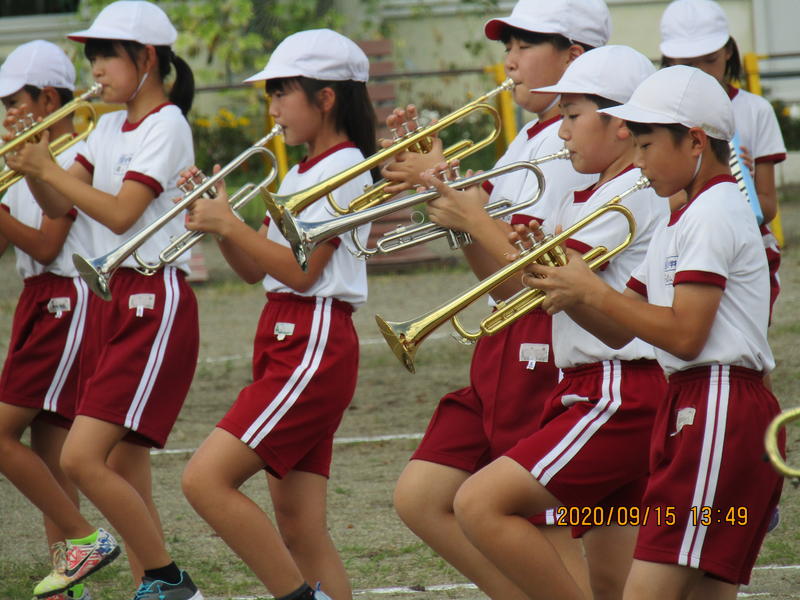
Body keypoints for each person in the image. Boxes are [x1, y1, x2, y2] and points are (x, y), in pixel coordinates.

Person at [519, 65, 784, 600]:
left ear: (695, 142)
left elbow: (685, 336)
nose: (637, 161)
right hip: (697, 407)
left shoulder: (714, 211)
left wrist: (592, 291)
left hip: (717, 407)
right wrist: (564, 286)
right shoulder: (680, 218)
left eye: (646, 145)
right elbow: (621, 329)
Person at [385, 1, 610, 598]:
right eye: (507, 47)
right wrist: (440, 192)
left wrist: (452, 190)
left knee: (545, 524)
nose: (509, 61)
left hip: (540, 343)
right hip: (502, 339)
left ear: (574, 56)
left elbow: (530, 277)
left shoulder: (573, 148)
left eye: (524, 46)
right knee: (421, 497)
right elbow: (495, 275)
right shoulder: (527, 142)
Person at [437, 44, 666, 600]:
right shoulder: (591, 194)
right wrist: (478, 227)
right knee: (612, 582)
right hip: (597, 384)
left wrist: (475, 218)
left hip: (617, 393)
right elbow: (525, 287)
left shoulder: (627, 193)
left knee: (479, 503)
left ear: (620, 124)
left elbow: (544, 284)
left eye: (572, 116)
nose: (561, 132)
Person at [6, 2, 203, 599]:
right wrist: (32, 166)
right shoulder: (107, 127)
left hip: (153, 295)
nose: (95, 69)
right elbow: (59, 207)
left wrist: (48, 169)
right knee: (119, 465)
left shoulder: (167, 124)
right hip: (112, 296)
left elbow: (120, 213)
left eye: (106, 56)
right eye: (91, 57)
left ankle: (169, 580)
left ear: (146, 59)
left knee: (81, 458)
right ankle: (154, 584)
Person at [179, 28, 376, 600]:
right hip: (288, 337)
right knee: (300, 527)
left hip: (313, 340)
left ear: (326, 97)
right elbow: (254, 268)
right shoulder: (299, 171)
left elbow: (303, 272)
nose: (272, 109)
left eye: (281, 93)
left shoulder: (347, 168)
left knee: (204, 480)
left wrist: (229, 224)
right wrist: (219, 224)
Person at [0, 39, 116, 600]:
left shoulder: (76, 153)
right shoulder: (23, 153)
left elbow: (48, 244)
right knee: (48, 456)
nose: (6, 114)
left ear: (48, 99)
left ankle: (85, 540)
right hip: (37, 299)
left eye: (13, 102)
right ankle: (68, 587)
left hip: (66, 299)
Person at [659, 0, 786, 320]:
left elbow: (767, 207)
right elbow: (657, 207)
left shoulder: (755, 110)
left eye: (710, 59)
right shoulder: (655, 115)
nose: (701, 70)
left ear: (729, 51)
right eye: (688, 62)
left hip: (747, 249)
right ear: (668, 60)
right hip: (678, 248)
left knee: (745, 340)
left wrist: (741, 184)